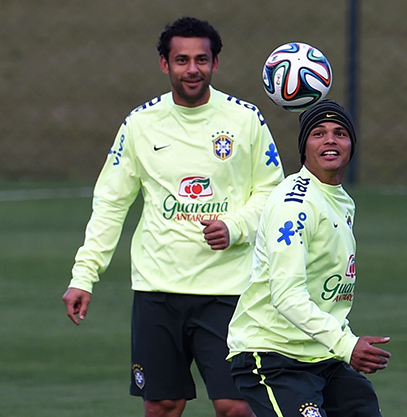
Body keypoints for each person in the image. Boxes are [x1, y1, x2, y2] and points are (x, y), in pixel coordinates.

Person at [62, 16, 284, 417]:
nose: (192, 69)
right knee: (163, 404)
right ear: (165, 64)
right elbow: (112, 202)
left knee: (236, 406)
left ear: (216, 63)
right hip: (158, 289)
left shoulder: (246, 119)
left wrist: (235, 227)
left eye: (202, 59)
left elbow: (272, 190)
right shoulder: (141, 124)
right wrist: (84, 275)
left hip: (229, 289)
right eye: (181, 60)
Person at [226, 99, 391, 417]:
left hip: (320, 355)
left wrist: (338, 345)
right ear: (304, 148)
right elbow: (286, 296)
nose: (330, 139)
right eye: (318, 133)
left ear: (351, 145)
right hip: (273, 355)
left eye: (340, 133)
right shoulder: (296, 204)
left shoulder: (338, 199)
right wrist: (347, 345)